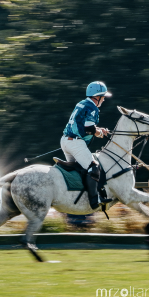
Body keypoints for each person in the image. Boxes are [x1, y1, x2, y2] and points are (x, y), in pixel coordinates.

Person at [61, 81, 112, 210]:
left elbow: (84, 126)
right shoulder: (92, 107)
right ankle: (96, 200)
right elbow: (89, 129)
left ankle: (76, 198)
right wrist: (99, 133)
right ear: (97, 96)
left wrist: (99, 130)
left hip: (66, 141)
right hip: (76, 143)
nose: (104, 99)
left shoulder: (82, 103)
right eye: (103, 96)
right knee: (94, 167)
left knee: (80, 169)